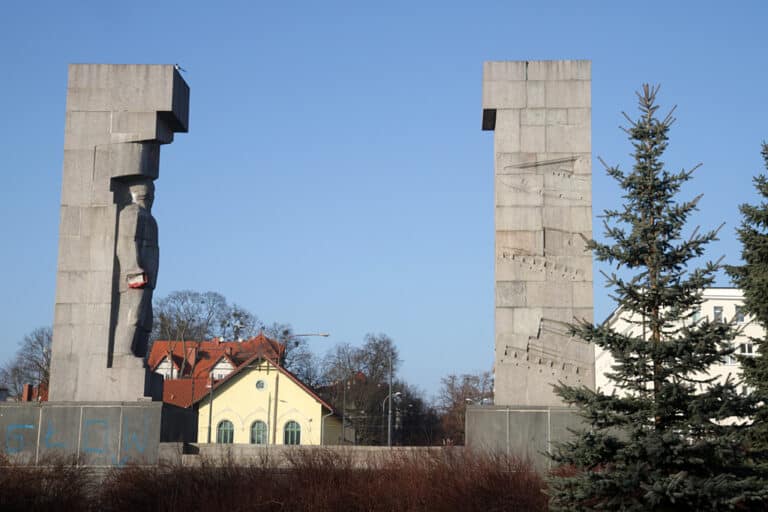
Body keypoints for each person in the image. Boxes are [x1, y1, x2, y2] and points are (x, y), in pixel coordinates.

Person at [114, 178, 158, 358]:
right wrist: (134, 269)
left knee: (146, 320)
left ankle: (138, 351)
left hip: (149, 277)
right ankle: (123, 349)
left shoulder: (150, 218)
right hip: (137, 277)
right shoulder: (132, 214)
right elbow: (126, 243)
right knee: (133, 314)